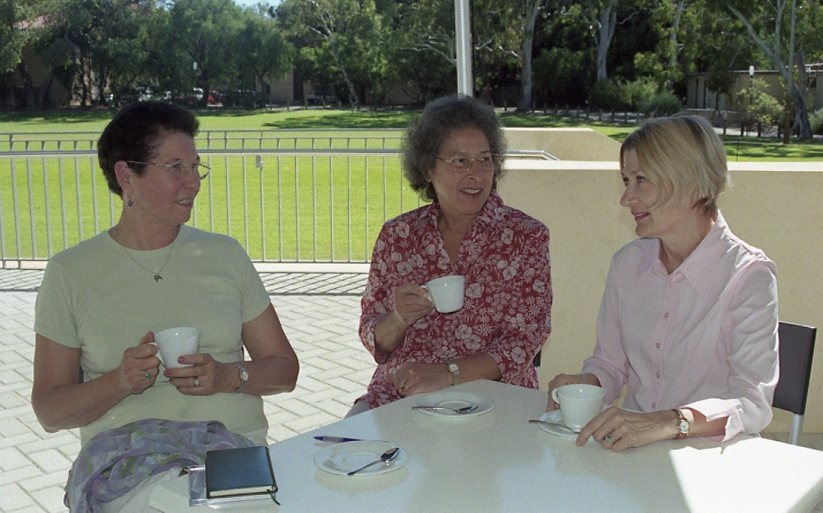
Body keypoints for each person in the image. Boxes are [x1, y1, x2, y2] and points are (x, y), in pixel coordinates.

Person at [30, 101, 299, 511]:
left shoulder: (224, 255)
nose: (193, 183)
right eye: (176, 168)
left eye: (195, 167)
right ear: (127, 176)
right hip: (128, 462)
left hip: (230, 454)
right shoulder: (71, 272)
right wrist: (119, 381)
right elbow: (50, 410)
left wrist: (229, 376)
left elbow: (284, 370)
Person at [547, 115, 778, 452]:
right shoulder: (627, 264)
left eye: (641, 180)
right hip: (633, 453)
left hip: (712, 459)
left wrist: (671, 421)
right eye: (626, 180)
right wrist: (586, 383)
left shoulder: (749, 275)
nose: (626, 198)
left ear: (690, 181)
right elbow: (610, 364)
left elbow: (751, 403)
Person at [351, 95, 552, 415]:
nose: (476, 173)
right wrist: (399, 319)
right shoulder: (398, 236)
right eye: (460, 161)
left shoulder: (525, 237)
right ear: (428, 168)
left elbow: (525, 340)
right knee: (346, 441)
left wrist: (448, 374)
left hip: (496, 399)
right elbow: (375, 340)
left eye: (484, 159)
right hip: (402, 395)